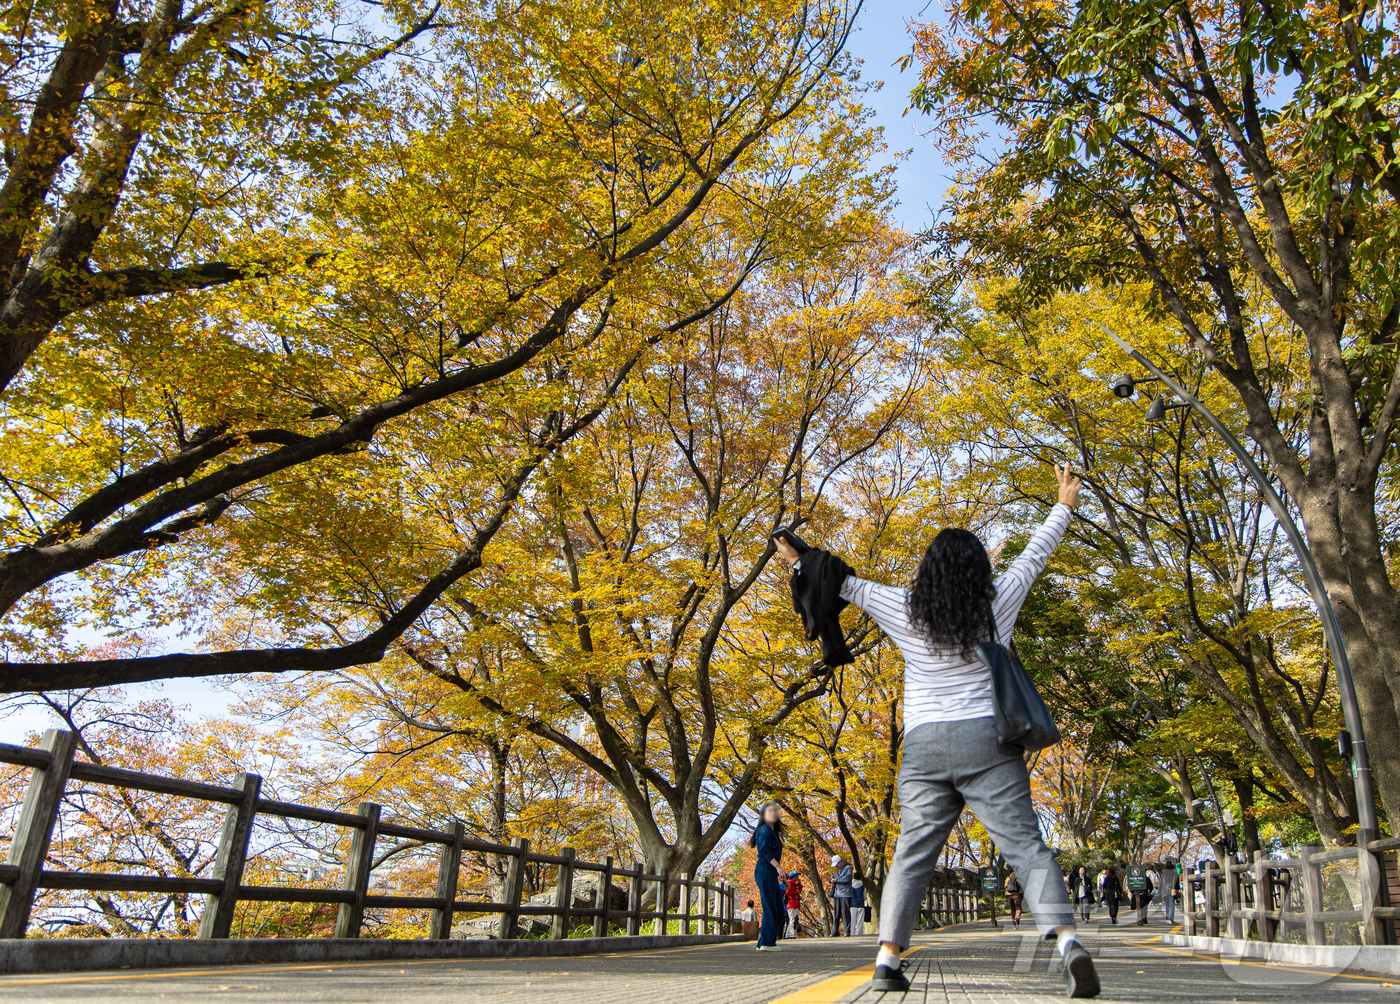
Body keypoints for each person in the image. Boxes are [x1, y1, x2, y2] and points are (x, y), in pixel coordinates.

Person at [775, 463, 1099, 998]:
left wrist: (797, 557)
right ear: (979, 571)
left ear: (928, 569)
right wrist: (1064, 502)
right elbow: (1036, 555)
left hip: (924, 746)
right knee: (1026, 847)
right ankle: (1066, 942)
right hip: (988, 741)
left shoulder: (904, 606)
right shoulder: (998, 603)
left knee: (911, 851)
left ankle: (886, 960)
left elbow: (842, 582)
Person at [749, 802, 786, 951]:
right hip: (765, 869)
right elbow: (764, 850)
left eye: (775, 811)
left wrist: (781, 873)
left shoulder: (772, 832)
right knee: (771, 906)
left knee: (777, 906)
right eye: (770, 811)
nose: (774, 813)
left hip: (770, 871)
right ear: (763, 815)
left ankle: (763, 941)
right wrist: (778, 867)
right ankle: (767, 943)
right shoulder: (764, 830)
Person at [831, 856, 853, 936]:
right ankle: (834, 931)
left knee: (845, 912)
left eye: (837, 865)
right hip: (837, 894)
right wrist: (833, 884)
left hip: (846, 894)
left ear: (840, 862)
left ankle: (847, 931)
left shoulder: (848, 869)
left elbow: (847, 879)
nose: (836, 867)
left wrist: (837, 881)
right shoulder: (837, 872)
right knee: (836, 913)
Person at [1158, 860, 1179, 924]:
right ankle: (1171, 918)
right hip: (1171, 890)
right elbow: (1177, 882)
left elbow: (1160, 882)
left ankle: (1167, 918)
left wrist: (1159, 891)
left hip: (1164, 891)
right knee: (1171, 905)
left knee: (1167, 905)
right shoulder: (1174, 873)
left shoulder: (1163, 873)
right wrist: (1176, 889)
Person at [784, 870, 804, 938]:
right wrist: (796, 891)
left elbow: (800, 890)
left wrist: (799, 884)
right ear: (793, 877)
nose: (797, 877)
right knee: (793, 919)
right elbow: (788, 892)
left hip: (796, 904)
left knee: (794, 919)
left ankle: (788, 934)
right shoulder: (790, 883)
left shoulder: (794, 884)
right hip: (792, 904)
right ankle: (792, 934)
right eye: (796, 876)